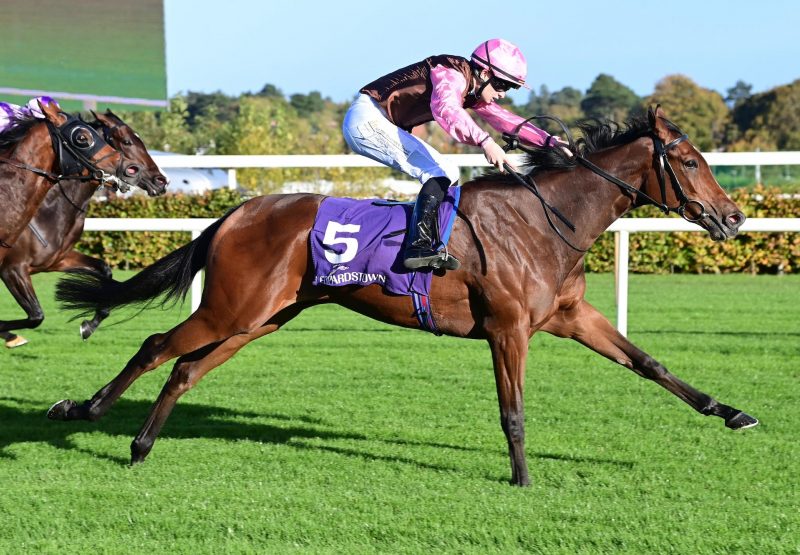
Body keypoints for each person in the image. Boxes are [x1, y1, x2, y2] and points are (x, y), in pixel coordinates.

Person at [342, 38, 570, 271]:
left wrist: (549, 142)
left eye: (510, 88)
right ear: (484, 72)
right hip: (367, 120)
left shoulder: (472, 88)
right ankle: (418, 247)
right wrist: (485, 141)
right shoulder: (451, 74)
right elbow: (447, 110)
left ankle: (429, 244)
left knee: (446, 173)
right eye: (502, 85)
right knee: (443, 171)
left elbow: (505, 119)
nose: (503, 93)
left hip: (378, 121)